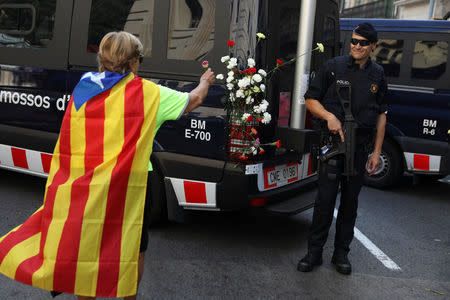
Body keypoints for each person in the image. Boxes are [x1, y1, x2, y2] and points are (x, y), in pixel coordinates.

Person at [0, 31, 214, 299]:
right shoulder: (149, 94)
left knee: (85, 245)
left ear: (101, 59)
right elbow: (194, 99)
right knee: (133, 247)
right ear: (134, 62)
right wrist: (205, 81)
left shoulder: (82, 88)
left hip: (86, 183)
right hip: (131, 186)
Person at [297, 22, 387, 275]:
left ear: (373, 46)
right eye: (354, 41)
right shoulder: (332, 67)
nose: (356, 46)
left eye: (362, 43)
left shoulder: (378, 74)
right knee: (324, 201)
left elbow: (382, 115)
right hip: (333, 145)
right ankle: (313, 253)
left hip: (359, 149)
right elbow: (310, 101)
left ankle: (341, 255)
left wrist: (377, 152)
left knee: (350, 203)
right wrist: (328, 116)